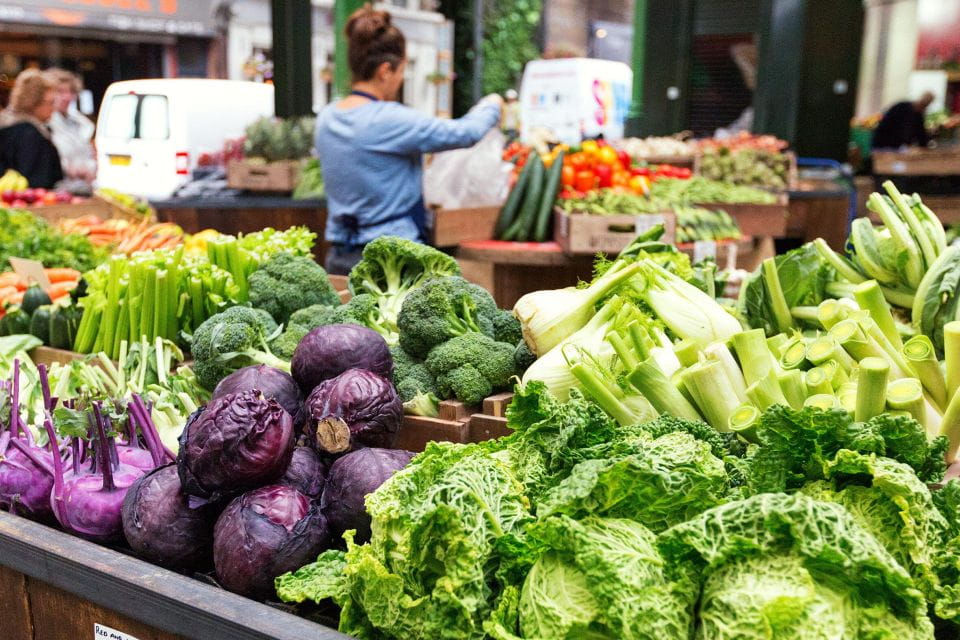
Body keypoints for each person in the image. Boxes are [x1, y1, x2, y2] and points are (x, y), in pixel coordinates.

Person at [316, 7, 503, 275]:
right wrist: (492, 105)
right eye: (402, 71)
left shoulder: (327, 117)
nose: (401, 79)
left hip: (340, 257)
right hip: (394, 261)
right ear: (385, 71)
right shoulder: (390, 120)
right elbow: (466, 133)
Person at [0, 69, 64, 189]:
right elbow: (37, 181)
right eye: (50, 103)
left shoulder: (8, 127)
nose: (53, 109)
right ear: (33, 102)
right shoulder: (31, 135)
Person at [46, 68, 96, 187]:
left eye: (71, 92)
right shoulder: (45, 124)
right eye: (61, 91)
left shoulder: (82, 122)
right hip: (57, 189)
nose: (67, 97)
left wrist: (90, 167)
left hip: (84, 187)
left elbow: (89, 154)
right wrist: (68, 168)